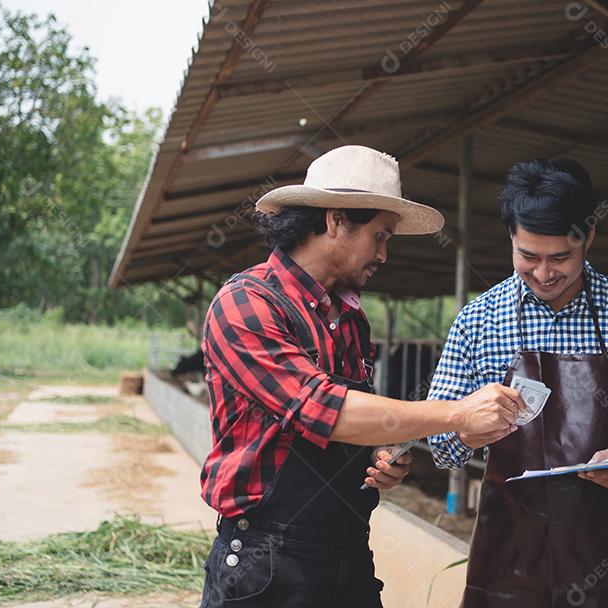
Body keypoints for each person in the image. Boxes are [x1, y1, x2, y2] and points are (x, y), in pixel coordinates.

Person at [198, 145, 524, 608]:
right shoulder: (248, 304)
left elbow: (350, 424)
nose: (384, 254)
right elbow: (320, 408)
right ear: (336, 221)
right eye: (380, 236)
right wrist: (456, 414)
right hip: (266, 560)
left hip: (347, 550)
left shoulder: (351, 319)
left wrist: (377, 455)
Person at [427, 158, 608, 607]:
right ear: (510, 237)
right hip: (506, 561)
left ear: (588, 237)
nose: (544, 274)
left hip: (603, 558)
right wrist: (464, 430)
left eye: (561, 258)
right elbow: (440, 446)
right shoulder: (478, 321)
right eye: (528, 257)